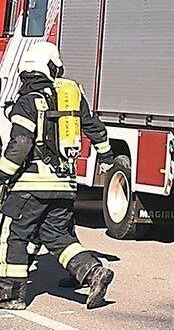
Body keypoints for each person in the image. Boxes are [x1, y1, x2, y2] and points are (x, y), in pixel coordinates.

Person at [0, 42, 115, 310]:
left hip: (30, 185)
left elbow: (20, 144)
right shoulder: (71, 96)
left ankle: (10, 295)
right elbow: (94, 127)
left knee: (13, 235)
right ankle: (93, 271)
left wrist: (2, 175)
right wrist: (107, 158)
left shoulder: (27, 102)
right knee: (57, 236)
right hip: (64, 184)